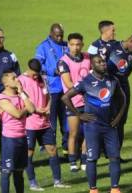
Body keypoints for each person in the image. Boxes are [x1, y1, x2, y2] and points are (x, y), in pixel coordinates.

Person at [62, 55, 126, 193]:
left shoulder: (112, 80)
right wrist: (79, 114)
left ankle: (115, 188)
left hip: (110, 126)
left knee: (114, 157)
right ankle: (93, 189)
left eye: (103, 61)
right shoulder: (86, 82)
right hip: (93, 127)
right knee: (92, 158)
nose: (103, 64)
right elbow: (65, 97)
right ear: (92, 65)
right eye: (99, 62)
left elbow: (123, 99)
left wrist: (119, 117)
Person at [19, 59, 70, 190]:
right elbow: (21, 101)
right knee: (29, 152)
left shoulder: (43, 78)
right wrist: (35, 109)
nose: (36, 76)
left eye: (37, 74)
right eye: (34, 74)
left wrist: (47, 107)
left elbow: (49, 96)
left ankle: (58, 181)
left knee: (53, 150)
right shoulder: (20, 81)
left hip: (44, 122)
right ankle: (32, 183)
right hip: (29, 123)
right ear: (28, 69)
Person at [107, 30, 132, 156]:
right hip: (108, 88)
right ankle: (104, 150)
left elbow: (127, 73)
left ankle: (116, 154)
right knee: (107, 119)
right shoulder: (112, 48)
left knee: (121, 120)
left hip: (123, 88)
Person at [57, 33, 91, 172]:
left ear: (82, 44)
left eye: (78, 44)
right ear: (68, 45)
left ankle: (84, 160)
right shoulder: (63, 61)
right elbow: (68, 83)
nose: (75, 47)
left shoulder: (88, 57)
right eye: (72, 45)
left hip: (88, 102)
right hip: (73, 102)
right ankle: (72, 161)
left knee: (89, 133)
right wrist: (86, 89)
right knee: (73, 133)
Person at [0, 71, 35, 193]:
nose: (17, 80)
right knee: (7, 171)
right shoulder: (2, 98)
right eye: (13, 78)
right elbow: (18, 114)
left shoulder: (21, 95)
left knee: (19, 172)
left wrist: (22, 94)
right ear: (6, 83)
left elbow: (32, 109)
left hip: (22, 137)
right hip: (10, 140)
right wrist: (26, 106)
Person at [35, 23, 68, 154]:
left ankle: (66, 148)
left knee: (66, 119)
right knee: (51, 120)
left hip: (66, 89)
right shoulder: (43, 46)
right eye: (57, 35)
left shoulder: (66, 45)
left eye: (61, 35)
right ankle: (50, 148)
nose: (59, 38)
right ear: (51, 33)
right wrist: (52, 70)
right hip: (52, 90)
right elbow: (37, 64)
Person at [0, 27, 20, 172]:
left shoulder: (10, 55)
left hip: (7, 101)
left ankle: (6, 163)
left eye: (1, 37)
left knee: (6, 133)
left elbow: (18, 76)